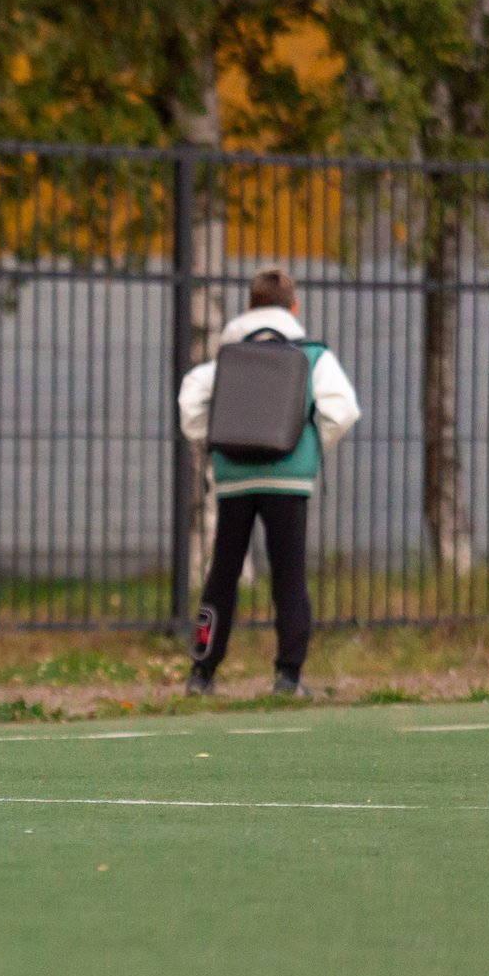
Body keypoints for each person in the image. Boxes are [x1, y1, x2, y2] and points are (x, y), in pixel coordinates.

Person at [176, 267, 360, 699]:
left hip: (233, 479)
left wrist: (212, 441)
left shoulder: (225, 356)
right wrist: (309, 448)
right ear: (294, 308)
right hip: (289, 480)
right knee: (289, 576)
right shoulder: (313, 356)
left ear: (249, 308)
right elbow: (342, 410)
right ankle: (288, 676)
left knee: (222, 575)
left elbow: (190, 399)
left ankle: (202, 673)